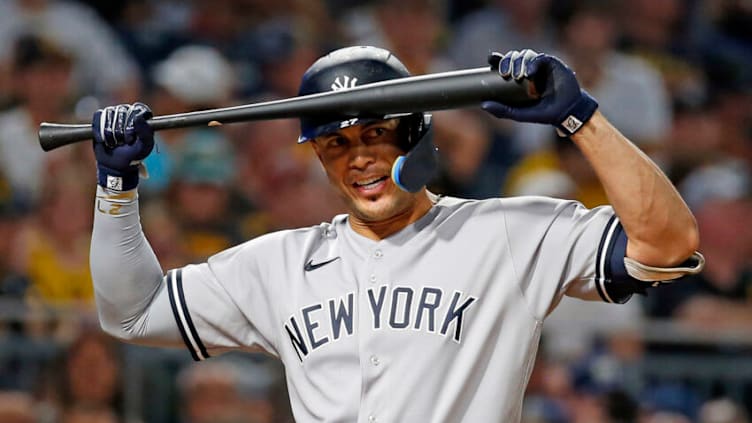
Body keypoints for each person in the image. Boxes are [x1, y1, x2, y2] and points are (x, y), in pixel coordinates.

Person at [88, 46, 704, 422]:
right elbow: (132, 313)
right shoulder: (280, 263)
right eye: (336, 143)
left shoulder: (507, 234)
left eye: (376, 133)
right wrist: (117, 190)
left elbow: (666, 244)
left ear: (417, 133)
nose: (358, 157)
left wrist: (581, 119)